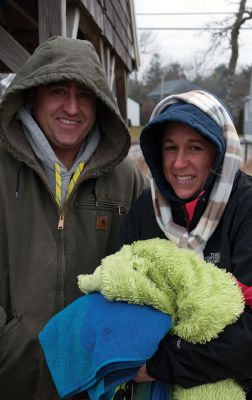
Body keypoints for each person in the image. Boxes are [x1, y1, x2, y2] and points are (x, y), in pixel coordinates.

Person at [0, 36, 145, 400]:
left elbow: (147, 271)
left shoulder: (127, 178)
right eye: (58, 91)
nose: (72, 106)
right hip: (11, 378)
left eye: (84, 95)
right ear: (32, 97)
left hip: (95, 383)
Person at [119, 90, 252, 399]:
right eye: (170, 148)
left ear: (218, 152)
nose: (179, 163)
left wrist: (161, 363)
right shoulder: (147, 209)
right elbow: (119, 295)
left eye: (194, 148)